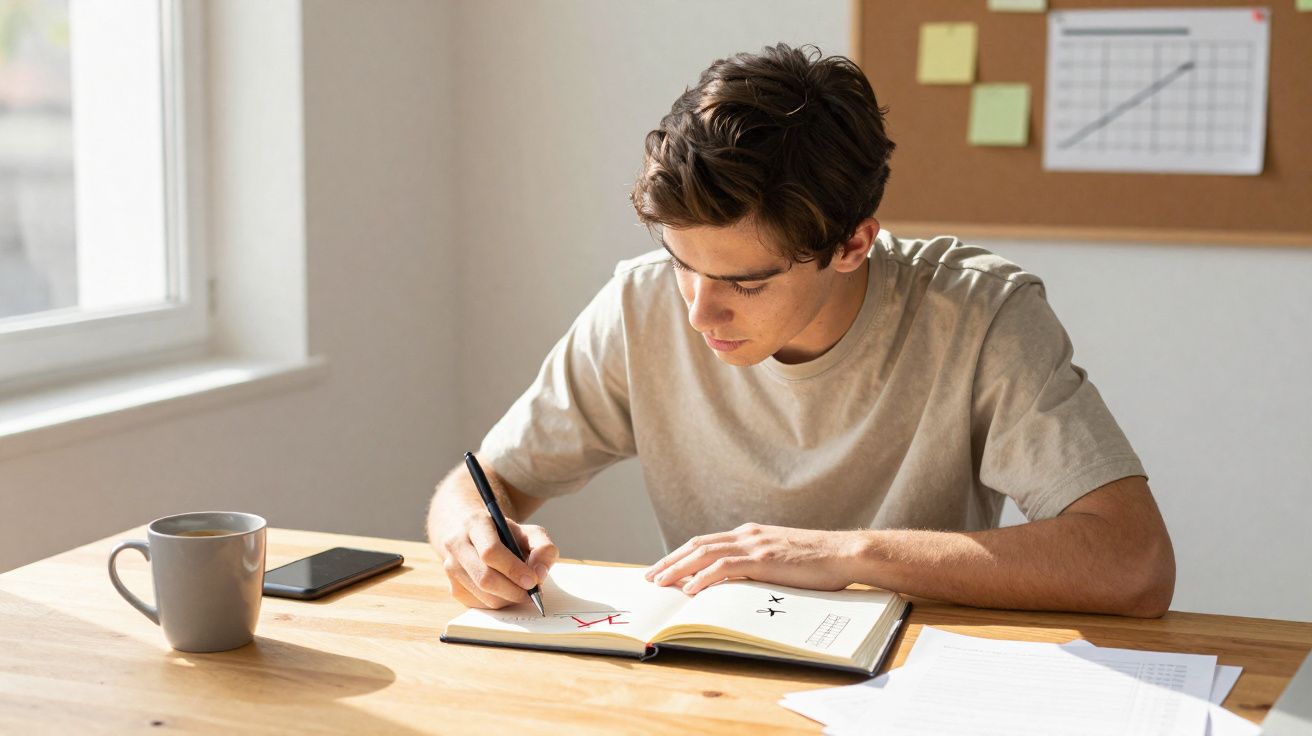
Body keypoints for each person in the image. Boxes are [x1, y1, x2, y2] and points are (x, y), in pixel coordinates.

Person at [427, 43, 1175, 618]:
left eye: (746, 283)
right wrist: (469, 534)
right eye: (683, 263)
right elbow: (484, 482)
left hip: (912, 684)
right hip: (704, 677)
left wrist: (846, 554)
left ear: (853, 244)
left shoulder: (980, 316)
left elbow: (1134, 562)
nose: (698, 311)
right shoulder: (639, 303)